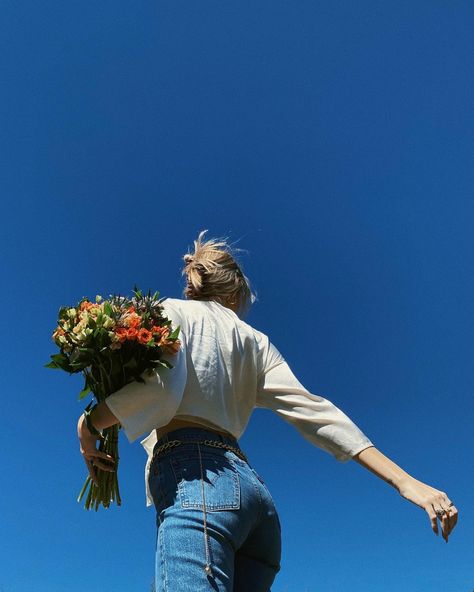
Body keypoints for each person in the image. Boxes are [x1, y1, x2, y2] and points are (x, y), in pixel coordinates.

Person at [77, 231, 458, 592]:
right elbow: (314, 412)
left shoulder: (169, 312)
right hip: (253, 499)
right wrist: (406, 482)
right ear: (233, 294)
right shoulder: (256, 341)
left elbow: (160, 389)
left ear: (194, 284)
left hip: (197, 481)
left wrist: (90, 424)